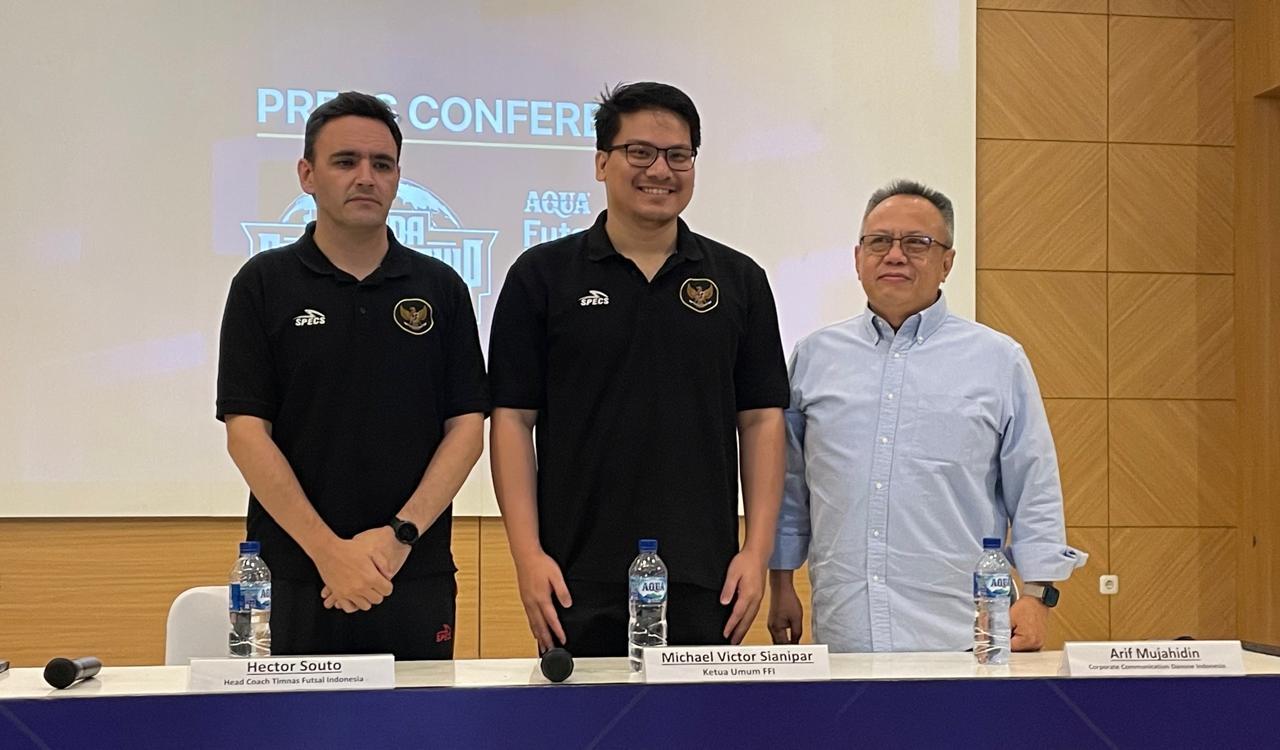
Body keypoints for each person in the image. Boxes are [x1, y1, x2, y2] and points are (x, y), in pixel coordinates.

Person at [488, 81, 788, 656]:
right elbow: (512, 420)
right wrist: (527, 556)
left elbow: (761, 420)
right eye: (640, 152)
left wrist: (757, 551)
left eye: (678, 155)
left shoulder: (739, 279)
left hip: (708, 574)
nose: (661, 170)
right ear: (602, 162)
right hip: (573, 575)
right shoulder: (541, 275)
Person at [217, 91, 488, 660]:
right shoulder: (262, 284)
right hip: (295, 574)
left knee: (415, 717)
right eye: (345, 162)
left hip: (412, 572)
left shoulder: (441, 288)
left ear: (397, 178)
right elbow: (246, 433)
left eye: (382, 164)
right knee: (292, 718)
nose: (366, 177)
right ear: (307, 174)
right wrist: (328, 553)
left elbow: (466, 429)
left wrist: (398, 538)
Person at [768, 180, 1086, 653]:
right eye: (879, 242)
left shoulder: (998, 359)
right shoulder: (815, 356)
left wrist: (1038, 597)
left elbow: (1034, 484)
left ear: (947, 263)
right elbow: (792, 486)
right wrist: (780, 585)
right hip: (846, 632)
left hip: (965, 633)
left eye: (917, 243)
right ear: (858, 258)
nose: (895, 256)